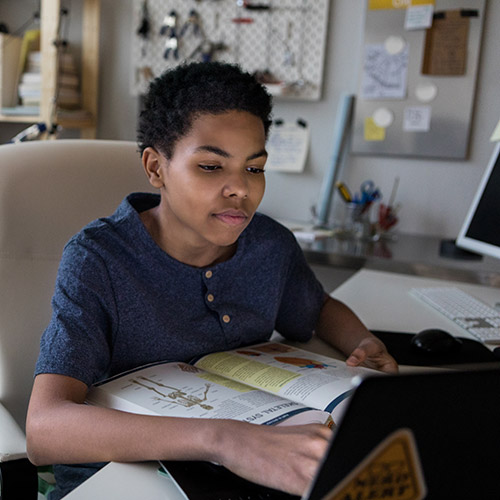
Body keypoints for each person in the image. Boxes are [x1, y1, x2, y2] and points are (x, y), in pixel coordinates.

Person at [27, 61, 397, 499]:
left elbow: (316, 308)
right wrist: (222, 439)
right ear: (155, 168)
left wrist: (361, 341)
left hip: (244, 464)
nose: (240, 189)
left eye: (254, 168)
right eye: (210, 167)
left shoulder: (269, 244)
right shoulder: (99, 259)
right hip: (125, 473)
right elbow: (44, 427)